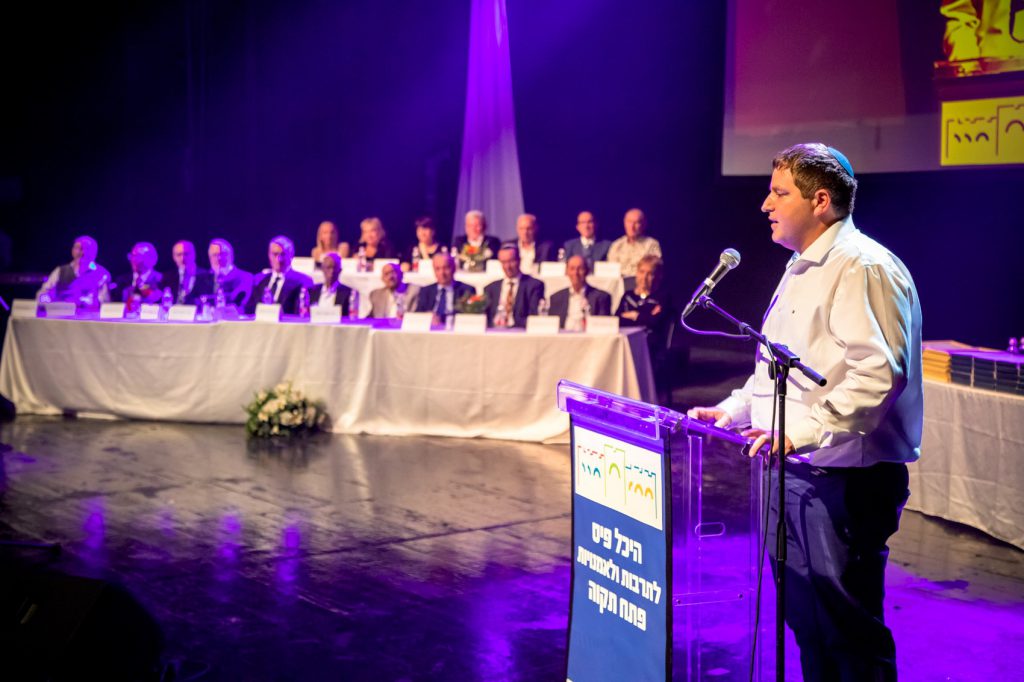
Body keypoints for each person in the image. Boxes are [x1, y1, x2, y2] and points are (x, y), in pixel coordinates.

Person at [687, 143, 922, 681]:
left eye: (779, 193)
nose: (765, 204)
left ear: (820, 201)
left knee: (847, 634)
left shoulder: (862, 266)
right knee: (810, 626)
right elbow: (780, 366)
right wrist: (731, 411)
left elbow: (878, 374)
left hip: (842, 482)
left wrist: (803, 431)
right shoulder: (801, 265)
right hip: (793, 473)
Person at [245, 236, 315, 315]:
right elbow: (249, 311)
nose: (279, 259)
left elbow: (301, 312)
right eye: (275, 254)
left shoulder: (303, 281)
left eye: (283, 254)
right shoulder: (259, 280)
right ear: (269, 255)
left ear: (291, 255)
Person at [37, 235, 111, 309]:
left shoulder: (101, 274)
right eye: (77, 248)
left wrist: (89, 302)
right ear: (72, 250)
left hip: (89, 314)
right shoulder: (60, 271)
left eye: (86, 249)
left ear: (94, 252)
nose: (81, 252)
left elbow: (104, 300)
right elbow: (44, 292)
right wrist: (46, 301)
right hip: (62, 312)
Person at [483, 243, 545, 328]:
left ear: (519, 260)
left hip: (521, 332)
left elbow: (533, 317)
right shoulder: (490, 288)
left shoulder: (534, 285)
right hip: (495, 332)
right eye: (504, 262)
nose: (507, 267)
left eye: (511, 261)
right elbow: (486, 318)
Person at [548, 255, 611, 330]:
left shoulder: (601, 297)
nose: (576, 273)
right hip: (563, 336)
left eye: (580, 269)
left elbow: (603, 328)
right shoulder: (556, 298)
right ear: (566, 272)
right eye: (572, 268)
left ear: (587, 271)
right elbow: (551, 327)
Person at [416, 252, 475, 326]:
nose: (442, 273)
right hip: (431, 328)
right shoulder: (426, 291)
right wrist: (427, 317)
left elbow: (471, 317)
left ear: (454, 268)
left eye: (446, 268)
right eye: (437, 269)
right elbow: (418, 315)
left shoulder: (467, 290)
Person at [607, 208, 662, 277]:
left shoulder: (651, 245)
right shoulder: (616, 245)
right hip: (617, 282)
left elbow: (653, 271)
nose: (632, 227)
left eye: (637, 223)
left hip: (641, 282)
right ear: (624, 223)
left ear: (644, 224)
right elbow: (610, 270)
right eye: (629, 222)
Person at [164, 240, 214, 305]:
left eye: (186, 254)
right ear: (174, 257)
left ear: (194, 255)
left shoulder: (207, 276)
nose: (183, 258)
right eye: (179, 255)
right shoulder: (168, 278)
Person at [208, 238, 253, 309]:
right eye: (214, 255)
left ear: (231, 256)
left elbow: (239, 302)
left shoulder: (245, 277)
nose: (219, 258)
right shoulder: (204, 279)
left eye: (222, 254)